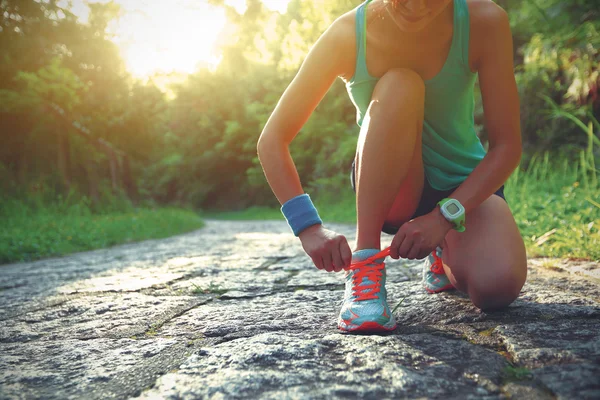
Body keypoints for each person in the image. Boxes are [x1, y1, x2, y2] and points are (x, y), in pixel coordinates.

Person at [257, 0, 527, 333]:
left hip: (464, 187)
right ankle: (366, 264)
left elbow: (507, 146)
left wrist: (444, 217)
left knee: (496, 287)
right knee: (401, 82)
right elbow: (272, 140)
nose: (415, 6)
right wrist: (308, 227)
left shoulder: (484, 21)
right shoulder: (347, 35)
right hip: (394, 187)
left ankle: (444, 249)